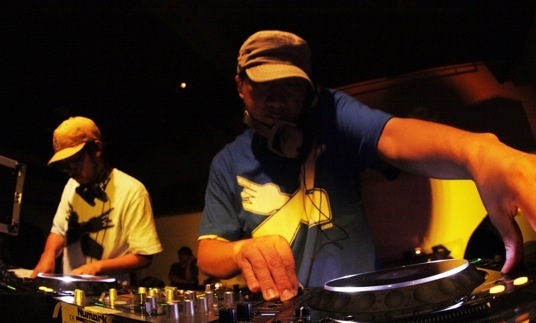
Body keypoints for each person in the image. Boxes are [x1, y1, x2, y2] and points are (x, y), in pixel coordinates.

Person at [196, 30, 536, 302]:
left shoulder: (331, 113)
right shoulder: (227, 162)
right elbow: (208, 253)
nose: (277, 100)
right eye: (262, 85)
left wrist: (479, 152)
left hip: (359, 302)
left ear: (308, 90)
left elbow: (394, 137)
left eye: (290, 86)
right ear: (240, 85)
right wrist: (241, 249)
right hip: (285, 311)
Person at [30, 116, 163, 285]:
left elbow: (144, 256)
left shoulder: (133, 191)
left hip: (111, 295)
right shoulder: (71, 185)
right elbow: (58, 231)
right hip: (70, 290)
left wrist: (97, 267)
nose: (70, 170)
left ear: (97, 148)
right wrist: (47, 255)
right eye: (64, 165)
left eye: (74, 161)